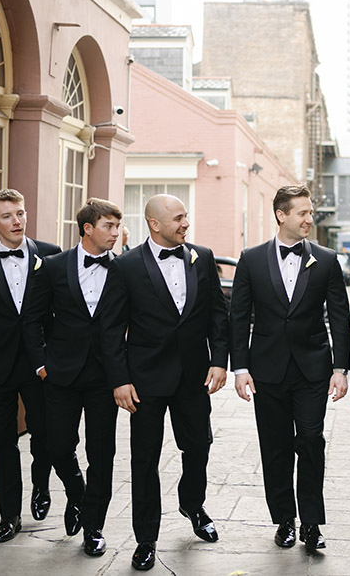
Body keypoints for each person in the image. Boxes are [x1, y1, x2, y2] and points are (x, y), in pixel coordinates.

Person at [101, 194, 228, 571]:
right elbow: (111, 330)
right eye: (178, 218)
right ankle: (146, 538)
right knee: (144, 460)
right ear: (154, 224)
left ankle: (192, 503)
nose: (185, 223)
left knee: (199, 449)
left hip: (193, 377)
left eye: (186, 216)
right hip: (145, 381)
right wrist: (120, 380)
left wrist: (219, 361)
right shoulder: (125, 267)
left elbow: (217, 315)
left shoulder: (201, 257)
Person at [229, 185, 350, 551]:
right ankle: (284, 519)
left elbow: (340, 318)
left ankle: (312, 522)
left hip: (313, 370)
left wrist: (341, 368)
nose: (309, 219)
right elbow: (238, 317)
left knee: (311, 441)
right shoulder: (250, 259)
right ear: (282, 215)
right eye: (302, 213)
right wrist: (240, 368)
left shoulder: (326, 260)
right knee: (275, 446)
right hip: (267, 371)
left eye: (310, 212)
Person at [0, 189, 77, 543]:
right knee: (3, 443)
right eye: (8, 216)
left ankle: (41, 486)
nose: (17, 221)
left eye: (21, 213)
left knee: (46, 434)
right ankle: (9, 515)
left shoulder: (51, 255)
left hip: (42, 365)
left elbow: (64, 314)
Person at [24, 198, 123, 557]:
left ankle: (93, 526)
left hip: (104, 376)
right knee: (57, 445)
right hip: (60, 372)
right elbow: (31, 319)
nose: (116, 233)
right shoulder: (51, 266)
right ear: (87, 229)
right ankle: (77, 493)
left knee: (102, 452)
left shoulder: (123, 268)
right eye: (109, 226)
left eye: (117, 226)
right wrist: (41, 364)